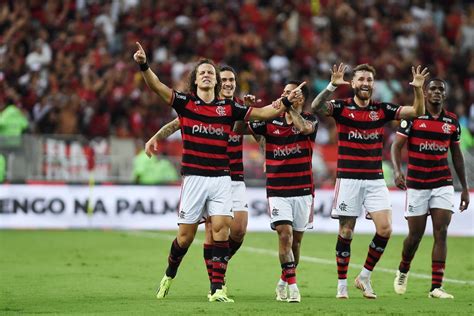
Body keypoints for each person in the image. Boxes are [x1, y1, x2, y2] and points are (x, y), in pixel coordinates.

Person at [133, 42, 304, 302]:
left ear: (215, 81)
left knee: (223, 230)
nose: (206, 75)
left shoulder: (229, 109)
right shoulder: (185, 103)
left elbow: (264, 113)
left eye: (210, 73)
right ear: (195, 79)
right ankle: (169, 274)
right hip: (194, 178)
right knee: (185, 237)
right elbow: (156, 86)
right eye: (202, 72)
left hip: (223, 177)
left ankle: (217, 289)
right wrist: (144, 64)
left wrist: (284, 102)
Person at [310, 63, 428, 299]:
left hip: (375, 179)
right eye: (361, 79)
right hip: (348, 178)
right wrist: (333, 84)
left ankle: (364, 276)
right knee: (346, 232)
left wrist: (418, 89)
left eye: (369, 80)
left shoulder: (382, 109)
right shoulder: (342, 107)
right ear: (353, 83)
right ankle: (341, 284)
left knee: (385, 229)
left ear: (373, 84)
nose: (365, 83)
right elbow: (316, 107)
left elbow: (416, 112)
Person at [144, 65, 253, 297]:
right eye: (223, 78)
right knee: (188, 237)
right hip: (198, 176)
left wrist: (254, 109)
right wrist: (155, 136)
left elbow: (252, 127)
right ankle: (177, 275)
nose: (228, 83)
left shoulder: (234, 108)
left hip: (230, 177)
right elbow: (177, 124)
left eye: (231, 79)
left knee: (236, 230)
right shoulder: (193, 106)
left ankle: (217, 282)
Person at [238, 80, 316, 303]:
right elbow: (238, 129)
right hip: (277, 189)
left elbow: (303, 129)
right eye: (283, 93)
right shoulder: (271, 121)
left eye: (290, 93)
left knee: (296, 243)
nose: (284, 95)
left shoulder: (310, 119)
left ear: (300, 98)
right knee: (285, 235)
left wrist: (288, 106)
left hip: (303, 189)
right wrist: (247, 110)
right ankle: (293, 287)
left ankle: (283, 280)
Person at [391, 78, 470, 299]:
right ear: (425, 93)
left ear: (445, 94)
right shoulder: (413, 117)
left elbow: (456, 155)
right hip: (416, 184)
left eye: (440, 89)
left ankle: (436, 287)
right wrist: (398, 171)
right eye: (433, 88)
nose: (436, 92)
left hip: (443, 183)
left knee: (441, 232)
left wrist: (464, 187)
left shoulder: (452, 121)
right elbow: (396, 147)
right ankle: (403, 269)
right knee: (415, 236)